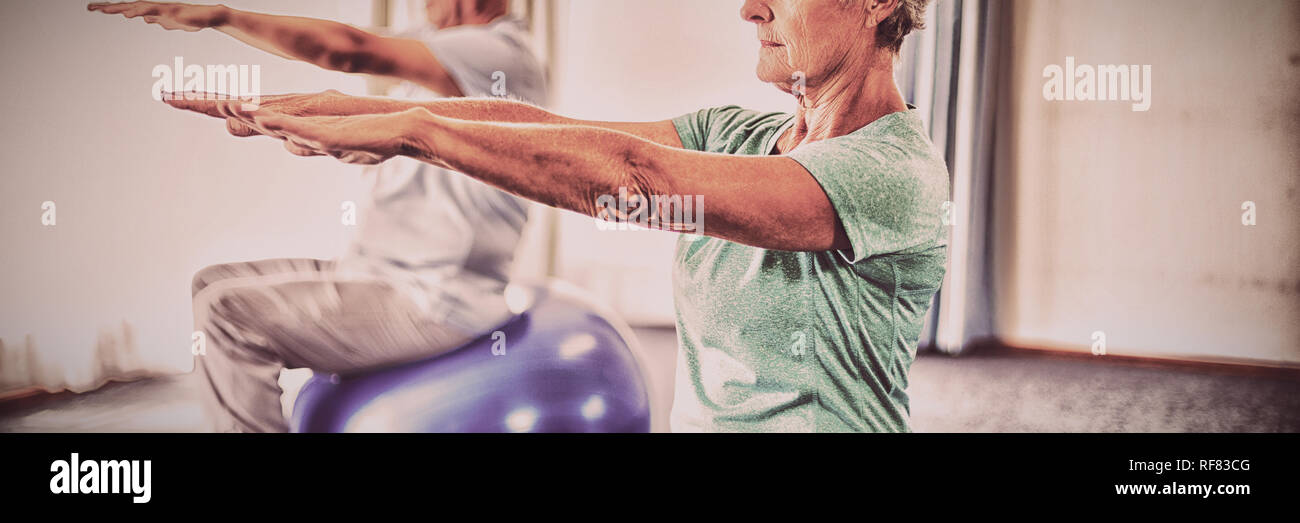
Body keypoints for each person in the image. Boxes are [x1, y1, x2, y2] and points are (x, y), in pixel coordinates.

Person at [162, 0, 947, 433]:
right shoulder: (734, 132)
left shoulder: (891, 172)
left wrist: (415, 131)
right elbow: (544, 126)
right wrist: (348, 109)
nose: (749, 9)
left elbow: (633, 177)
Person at [89, 0, 548, 433]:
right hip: (376, 271)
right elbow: (351, 45)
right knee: (208, 283)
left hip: (437, 299)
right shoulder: (441, 44)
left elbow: (349, 49)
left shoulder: (498, 54)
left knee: (226, 315)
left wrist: (221, 16)